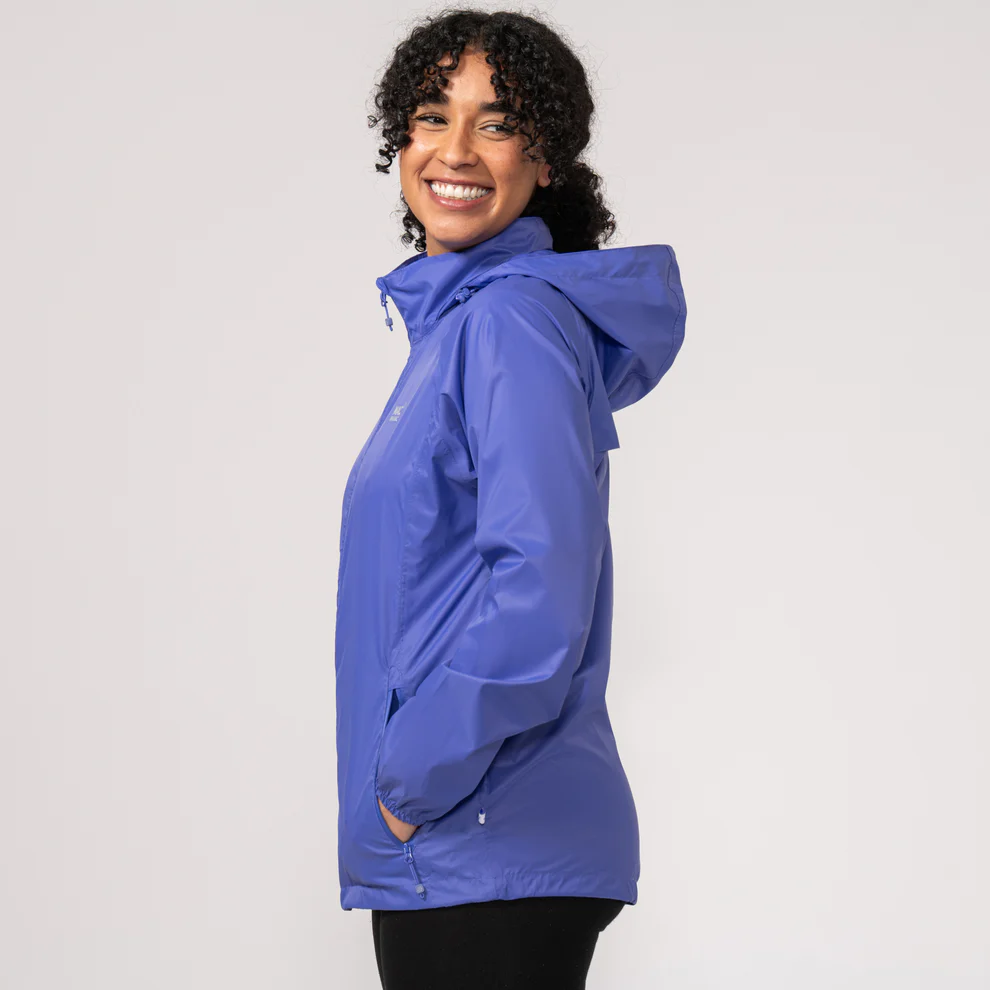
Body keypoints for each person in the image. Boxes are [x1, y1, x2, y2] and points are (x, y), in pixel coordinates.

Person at [334, 9, 687, 988]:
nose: (455, 149)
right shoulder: (460, 328)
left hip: (481, 841)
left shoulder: (508, 323)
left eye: (496, 124)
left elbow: (540, 588)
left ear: (546, 160)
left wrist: (408, 786)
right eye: (431, 116)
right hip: (464, 850)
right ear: (399, 141)